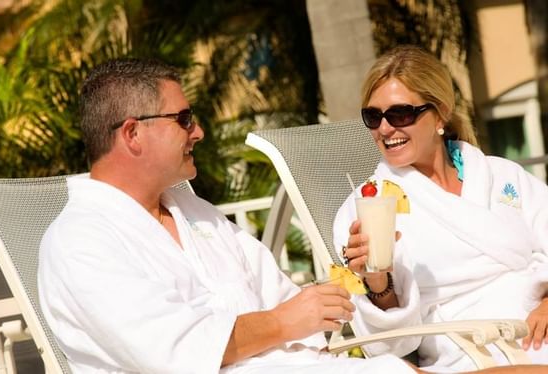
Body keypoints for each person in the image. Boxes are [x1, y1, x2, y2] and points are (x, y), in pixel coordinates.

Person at [37, 58, 546, 374]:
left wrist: (301, 319)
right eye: (185, 119)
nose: (200, 133)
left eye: (403, 114)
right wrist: (348, 297)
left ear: (439, 115)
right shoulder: (81, 242)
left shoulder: (199, 216)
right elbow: (178, 354)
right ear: (132, 134)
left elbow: (301, 313)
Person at [333, 45, 548, 372]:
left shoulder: (502, 175)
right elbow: (391, 346)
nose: (385, 129)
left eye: (400, 114)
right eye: (373, 117)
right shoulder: (366, 207)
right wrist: (378, 282)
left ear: (441, 114)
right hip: (474, 350)